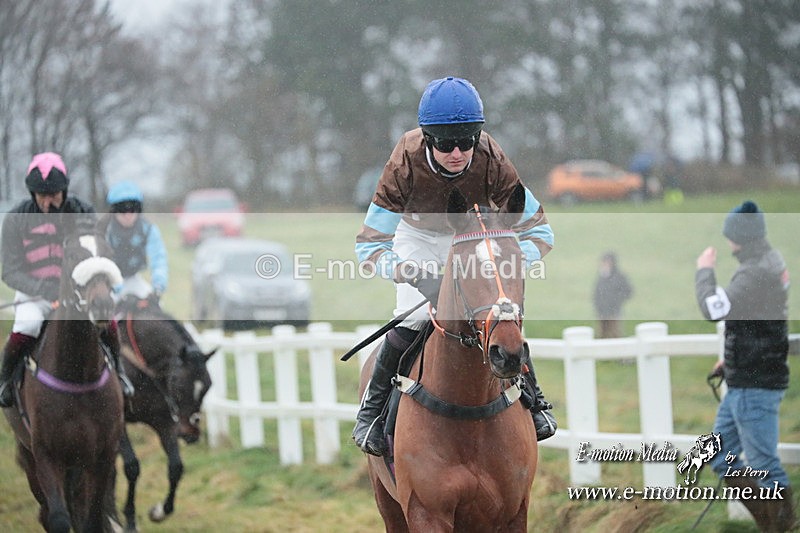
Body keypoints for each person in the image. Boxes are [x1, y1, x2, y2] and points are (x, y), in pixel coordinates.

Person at [352, 76, 557, 457]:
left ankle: (534, 399)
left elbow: (541, 231)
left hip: (470, 238)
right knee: (411, 318)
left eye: (468, 141)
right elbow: (369, 247)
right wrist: (416, 276)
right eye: (447, 144)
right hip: (416, 239)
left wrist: (505, 270)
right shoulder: (404, 162)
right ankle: (373, 413)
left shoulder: (492, 160)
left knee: (501, 312)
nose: (459, 153)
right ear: (428, 139)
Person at [0, 152, 133, 407]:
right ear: (32, 194)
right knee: (27, 325)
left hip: (80, 291)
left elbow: (94, 252)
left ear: (65, 191)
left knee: (108, 319)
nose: (48, 202)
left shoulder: (82, 212)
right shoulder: (16, 219)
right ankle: (5, 381)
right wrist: (44, 289)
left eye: (54, 195)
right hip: (35, 293)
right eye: (42, 196)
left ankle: (120, 372)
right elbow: (10, 271)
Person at [695, 200, 795, 531]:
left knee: (765, 466)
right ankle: (771, 525)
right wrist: (731, 358)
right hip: (745, 377)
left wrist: (704, 270)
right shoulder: (769, 262)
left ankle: (782, 527)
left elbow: (714, 307)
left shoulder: (755, 271)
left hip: (755, 385)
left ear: (741, 237)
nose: (727, 242)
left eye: (730, 235)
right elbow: (756, 318)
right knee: (721, 458)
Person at [101, 181, 168, 305]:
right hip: (109, 284)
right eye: (122, 210)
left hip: (134, 280)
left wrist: (158, 286)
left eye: (133, 209)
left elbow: (158, 258)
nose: (128, 215)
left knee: (158, 308)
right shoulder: (104, 231)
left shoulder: (148, 229)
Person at [592, 251, 632, 339]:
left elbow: (628, 292)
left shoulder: (619, 277)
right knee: (602, 336)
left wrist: (616, 302)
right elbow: (596, 294)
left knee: (615, 336)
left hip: (614, 313)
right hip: (602, 313)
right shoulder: (601, 277)